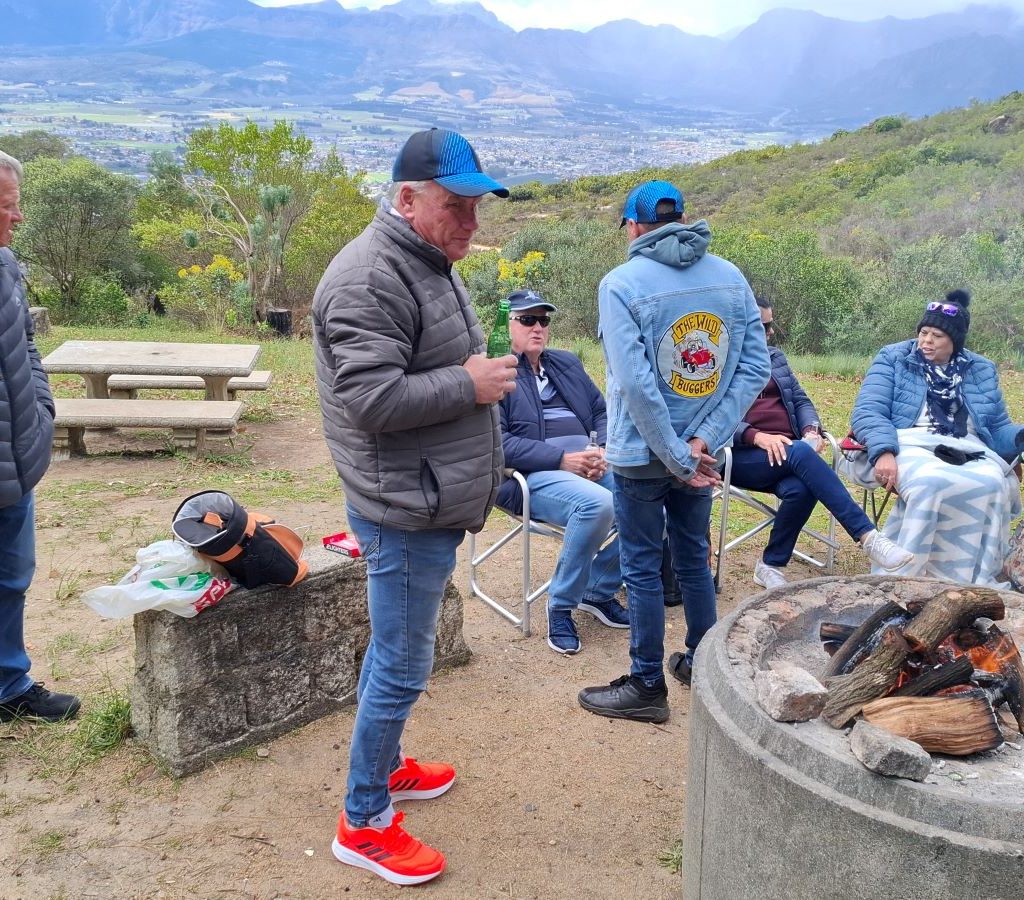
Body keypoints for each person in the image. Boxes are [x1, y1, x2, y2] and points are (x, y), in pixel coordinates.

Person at [312, 128, 517, 886]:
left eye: (476, 208)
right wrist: (470, 384)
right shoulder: (369, 277)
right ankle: (362, 821)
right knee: (403, 662)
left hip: (421, 490)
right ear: (405, 199)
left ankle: (388, 767)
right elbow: (369, 398)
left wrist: (468, 379)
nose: (470, 224)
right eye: (455, 206)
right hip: (404, 502)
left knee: (394, 649)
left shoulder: (427, 259)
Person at [578, 180, 771, 724]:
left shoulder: (620, 284)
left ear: (635, 227)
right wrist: (702, 441)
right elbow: (754, 368)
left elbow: (638, 386)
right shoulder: (730, 277)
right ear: (682, 219)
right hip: (702, 455)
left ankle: (645, 685)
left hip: (643, 455)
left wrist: (676, 454)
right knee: (692, 559)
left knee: (640, 568)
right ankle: (702, 663)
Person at [729, 297, 912, 589]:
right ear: (742, 328)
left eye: (771, 325)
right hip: (741, 455)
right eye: (764, 326)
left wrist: (811, 428)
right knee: (801, 453)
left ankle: (770, 564)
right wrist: (756, 436)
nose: (771, 332)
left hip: (787, 454)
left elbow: (800, 400)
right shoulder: (721, 365)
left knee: (801, 487)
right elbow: (708, 416)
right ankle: (867, 536)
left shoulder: (775, 358)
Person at [851, 289, 1024, 587]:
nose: (926, 341)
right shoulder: (894, 357)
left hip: (969, 446)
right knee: (932, 482)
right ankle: (907, 574)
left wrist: (1019, 439)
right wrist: (884, 452)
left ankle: (968, 581)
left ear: (954, 341)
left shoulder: (980, 368)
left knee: (994, 484)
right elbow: (869, 411)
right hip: (907, 440)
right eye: (924, 332)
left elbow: (996, 426)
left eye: (937, 336)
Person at [497, 288, 628, 655]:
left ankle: (597, 589)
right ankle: (561, 605)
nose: (537, 327)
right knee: (599, 505)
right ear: (506, 324)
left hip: (589, 464)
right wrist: (561, 460)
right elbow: (495, 443)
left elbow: (602, 411)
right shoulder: (495, 370)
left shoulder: (565, 363)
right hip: (528, 475)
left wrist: (600, 447)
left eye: (543, 320)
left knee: (652, 503)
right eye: (527, 319)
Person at [0, 150, 80, 724]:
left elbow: (25, 344)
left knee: (11, 575)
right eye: (7, 208)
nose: (18, 219)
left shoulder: (5, 265)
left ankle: (8, 684)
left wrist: (41, 411)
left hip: (15, 456)